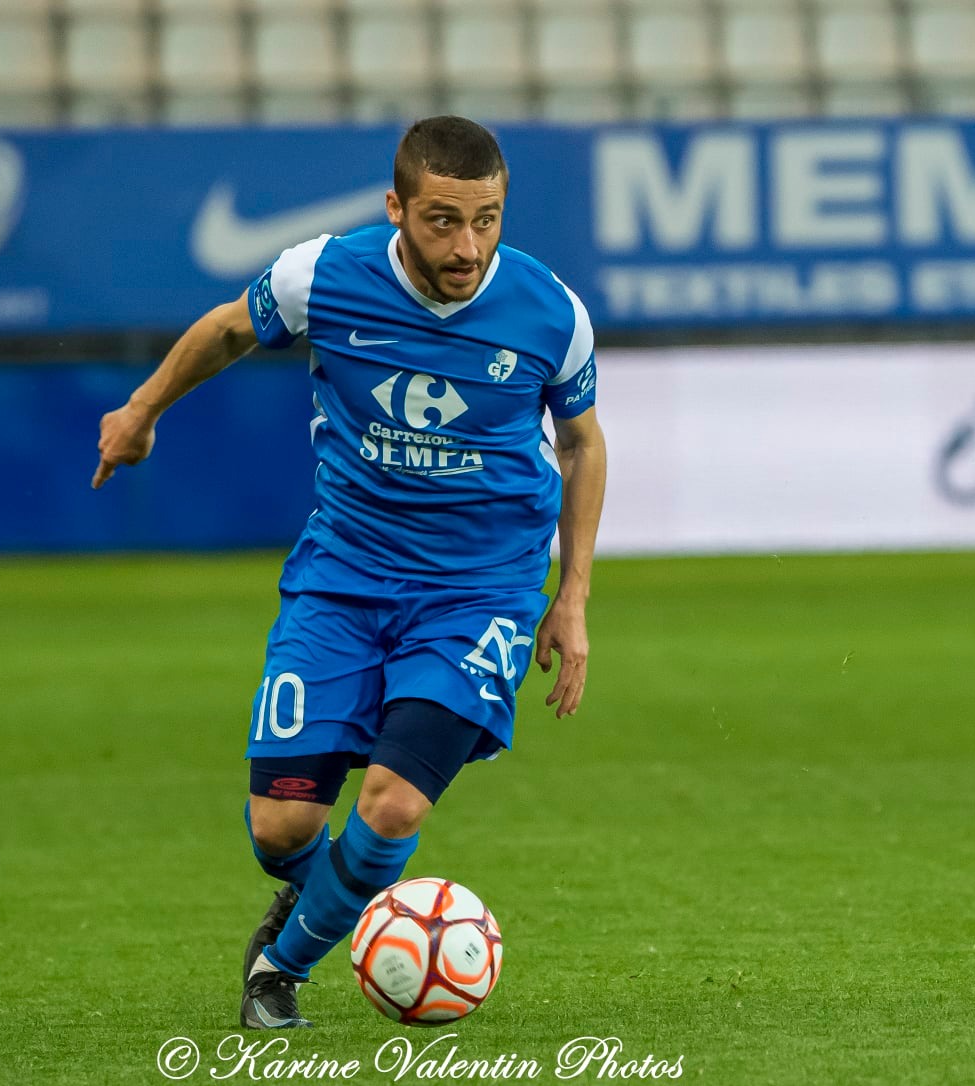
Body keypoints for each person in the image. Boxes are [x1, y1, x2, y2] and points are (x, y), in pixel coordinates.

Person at [90, 116, 607, 1030]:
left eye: (486, 219)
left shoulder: (550, 312)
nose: (468, 246)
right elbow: (228, 328)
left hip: (479, 592)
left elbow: (581, 444)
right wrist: (140, 411)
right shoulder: (323, 274)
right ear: (396, 207)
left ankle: (277, 972)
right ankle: (334, 898)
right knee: (281, 829)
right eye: (443, 220)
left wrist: (571, 597)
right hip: (343, 579)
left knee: (393, 803)